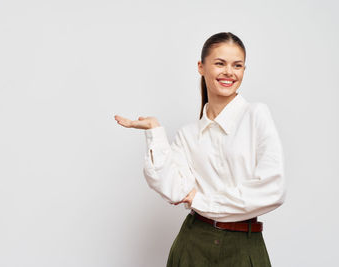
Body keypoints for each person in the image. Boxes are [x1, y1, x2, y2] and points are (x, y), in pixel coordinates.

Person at [114, 32, 286, 267]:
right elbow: (174, 190)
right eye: (219, 63)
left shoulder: (256, 115)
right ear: (201, 67)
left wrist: (203, 201)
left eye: (237, 65)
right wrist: (155, 131)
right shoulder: (188, 134)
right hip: (193, 244)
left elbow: (273, 189)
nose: (229, 72)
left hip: (244, 247)